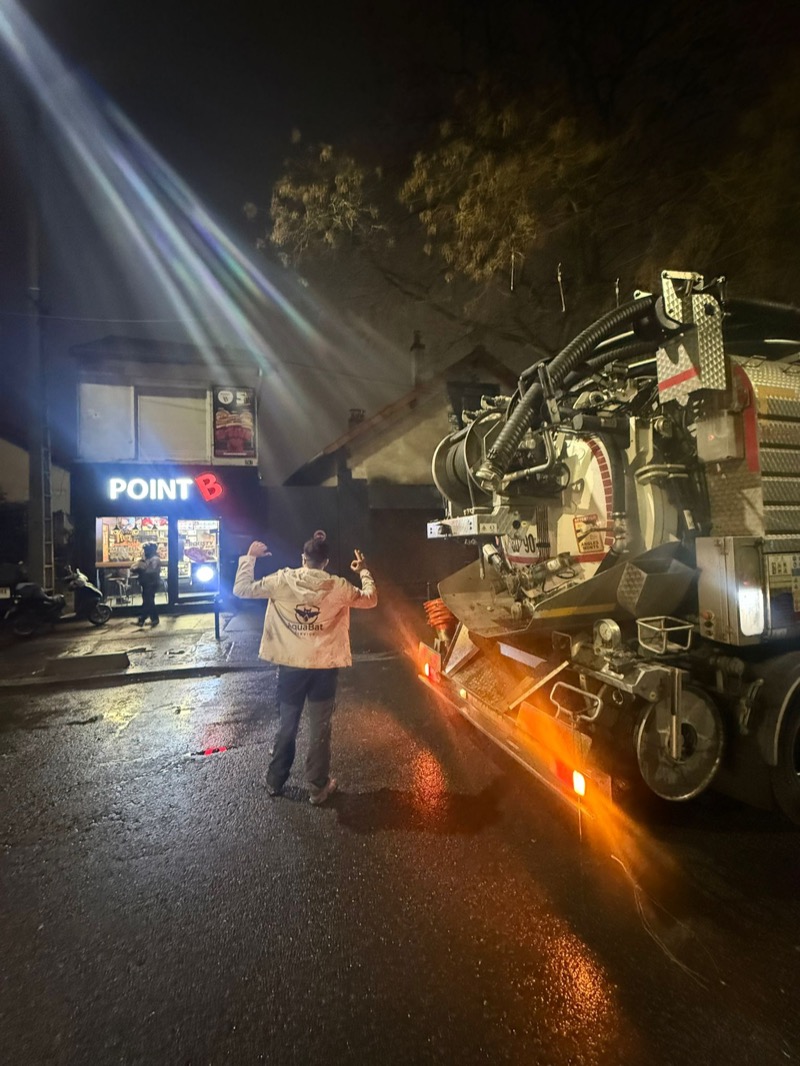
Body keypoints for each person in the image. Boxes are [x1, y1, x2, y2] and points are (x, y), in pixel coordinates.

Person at [233, 530, 377, 805]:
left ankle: (275, 781)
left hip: (291, 668)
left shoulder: (282, 580)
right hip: (324, 667)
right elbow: (370, 599)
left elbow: (242, 589)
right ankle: (318, 788)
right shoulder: (338, 586)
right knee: (320, 729)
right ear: (325, 562)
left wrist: (250, 557)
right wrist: (364, 571)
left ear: (303, 559)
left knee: (287, 725)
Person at [131, 543, 162, 627]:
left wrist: (141, 568)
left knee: (148, 601)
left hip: (152, 583)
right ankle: (148, 619)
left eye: (146, 550)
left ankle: (145, 619)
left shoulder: (154, 559)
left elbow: (151, 570)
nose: (145, 552)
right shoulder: (147, 559)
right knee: (148, 601)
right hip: (147, 583)